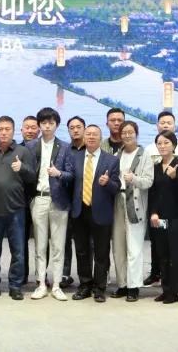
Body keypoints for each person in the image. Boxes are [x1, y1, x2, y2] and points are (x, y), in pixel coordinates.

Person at [0, 116, 35, 301]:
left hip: (16, 210)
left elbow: (32, 177)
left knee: (18, 251)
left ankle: (15, 286)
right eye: (0, 129)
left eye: (7, 129)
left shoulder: (23, 151)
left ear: (13, 131)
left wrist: (22, 168)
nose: (4, 133)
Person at [66, 124, 121, 302]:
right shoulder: (75, 157)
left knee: (101, 252)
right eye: (88, 134)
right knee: (81, 251)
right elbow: (70, 183)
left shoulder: (111, 160)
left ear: (100, 138)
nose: (91, 137)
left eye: (94, 134)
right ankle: (85, 285)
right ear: (84, 137)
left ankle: (99, 288)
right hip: (79, 210)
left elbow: (117, 186)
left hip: (101, 211)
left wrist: (108, 183)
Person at [26, 107, 71, 301]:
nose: (47, 126)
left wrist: (58, 173)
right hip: (39, 198)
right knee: (40, 244)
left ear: (57, 125)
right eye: (44, 123)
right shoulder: (30, 146)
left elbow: (71, 174)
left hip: (59, 199)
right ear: (39, 125)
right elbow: (27, 172)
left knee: (59, 245)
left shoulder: (65, 147)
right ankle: (41, 284)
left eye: (51, 123)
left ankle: (57, 285)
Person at [142, 111, 178, 287]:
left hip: (176, 216)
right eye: (159, 143)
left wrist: (174, 178)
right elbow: (153, 193)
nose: (162, 146)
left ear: (174, 145)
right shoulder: (154, 167)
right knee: (162, 251)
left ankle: (175, 287)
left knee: (175, 252)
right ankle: (165, 287)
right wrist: (153, 212)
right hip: (159, 216)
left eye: (166, 143)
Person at [109, 121, 153, 302]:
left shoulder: (145, 155)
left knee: (134, 248)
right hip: (117, 201)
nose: (127, 135)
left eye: (130, 132)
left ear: (136, 134)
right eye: (124, 133)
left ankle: (134, 286)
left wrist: (133, 178)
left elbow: (148, 181)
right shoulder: (116, 155)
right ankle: (122, 284)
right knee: (118, 247)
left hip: (135, 204)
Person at [59, 116, 87, 290]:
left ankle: (87, 277)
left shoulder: (91, 150)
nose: (75, 130)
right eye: (71, 127)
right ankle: (65, 274)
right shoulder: (64, 149)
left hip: (85, 202)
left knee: (86, 243)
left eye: (78, 127)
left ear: (84, 129)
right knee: (64, 240)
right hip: (65, 201)